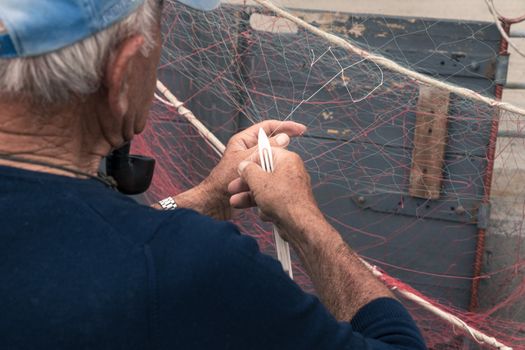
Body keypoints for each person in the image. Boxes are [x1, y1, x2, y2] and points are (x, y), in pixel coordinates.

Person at [0, 0, 426, 349]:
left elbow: (81, 247)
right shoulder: (193, 267)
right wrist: (302, 219)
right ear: (122, 71)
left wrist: (208, 197)